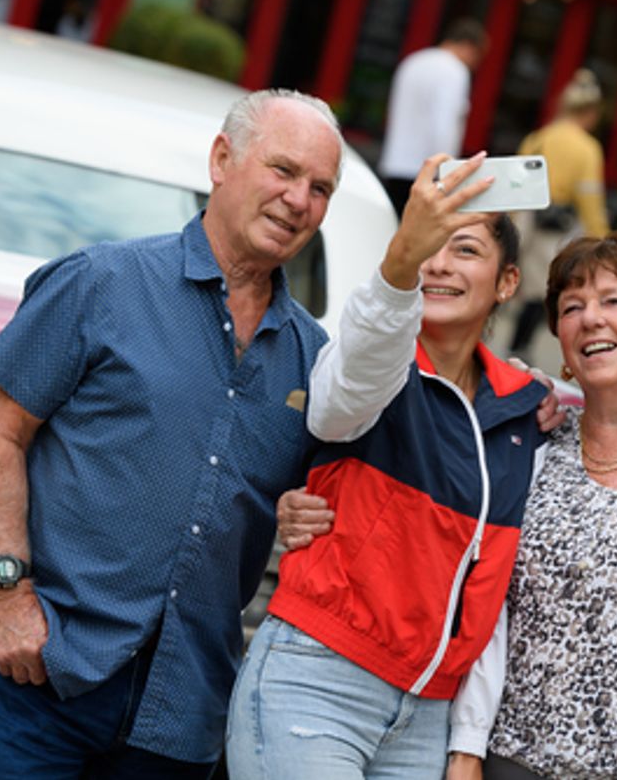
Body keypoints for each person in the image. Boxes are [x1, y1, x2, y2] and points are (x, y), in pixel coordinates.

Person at [281, 230, 617, 780]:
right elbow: (436, 526)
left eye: (614, 301)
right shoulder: (533, 439)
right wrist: (306, 506)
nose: (591, 319)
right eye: (572, 307)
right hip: (511, 764)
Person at [0, 89, 346, 779]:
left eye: (319, 187)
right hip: (41, 673)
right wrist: (5, 595)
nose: (298, 199)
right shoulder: (101, 284)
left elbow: (322, 495)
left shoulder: (313, 355)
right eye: (282, 170)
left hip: (181, 714)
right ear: (223, 159)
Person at [225, 154, 548, 779]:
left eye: (465, 249)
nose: (439, 265)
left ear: (508, 282)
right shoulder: (375, 363)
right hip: (320, 677)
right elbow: (337, 403)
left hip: (427, 712)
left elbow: (496, 595)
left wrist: (467, 742)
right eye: (428, 244)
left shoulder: (526, 416)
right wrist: (400, 263)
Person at [507, 68, 610, 360]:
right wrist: (601, 236)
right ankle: (520, 346)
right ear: (590, 112)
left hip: (525, 215)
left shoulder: (538, 137)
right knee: (540, 287)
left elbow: (515, 180)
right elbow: (590, 197)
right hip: (553, 223)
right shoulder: (588, 148)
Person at [376, 19, 486, 217]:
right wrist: (449, 172)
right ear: (469, 47)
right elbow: (445, 125)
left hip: (394, 162)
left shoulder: (413, 61)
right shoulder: (455, 71)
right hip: (426, 173)